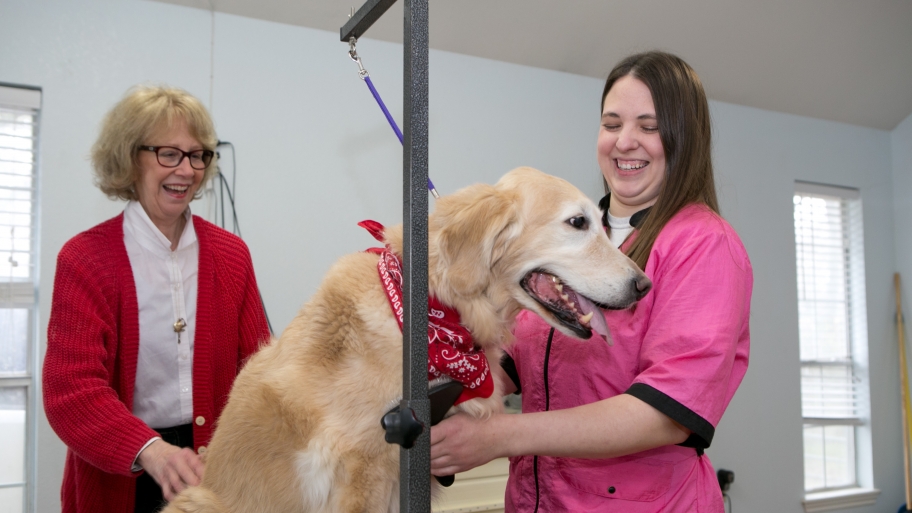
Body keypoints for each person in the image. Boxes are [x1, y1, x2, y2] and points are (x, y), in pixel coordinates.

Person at [430, 51, 753, 512]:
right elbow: (512, 366)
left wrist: (496, 436)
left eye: (649, 126)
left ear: (685, 138)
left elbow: (666, 413)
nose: (625, 142)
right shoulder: (566, 237)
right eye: (612, 123)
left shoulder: (705, 244)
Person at [43, 85, 271, 513]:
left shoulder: (231, 255)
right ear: (131, 159)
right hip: (122, 471)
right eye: (169, 153)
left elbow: (259, 370)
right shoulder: (84, 259)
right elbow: (71, 392)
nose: (186, 170)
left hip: (214, 474)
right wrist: (151, 450)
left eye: (197, 154)